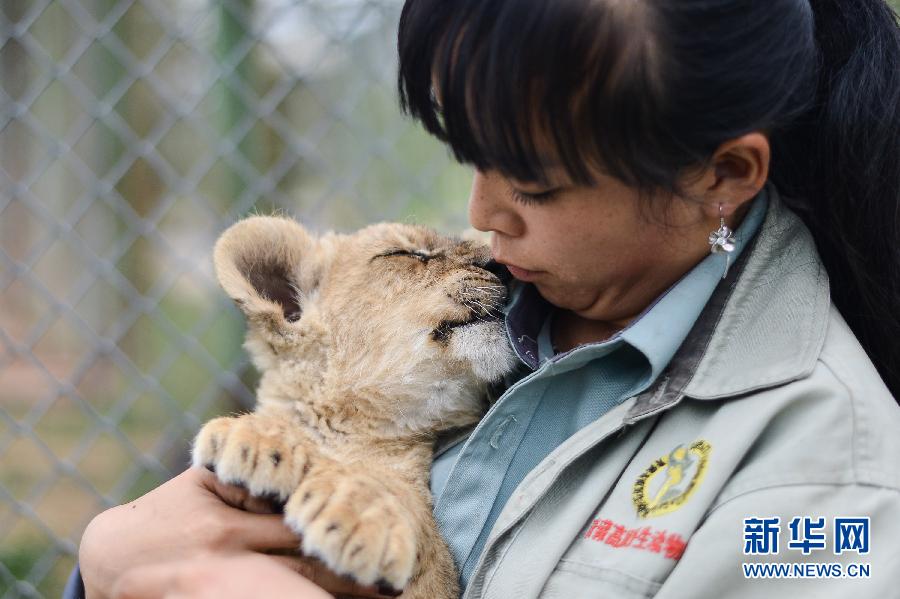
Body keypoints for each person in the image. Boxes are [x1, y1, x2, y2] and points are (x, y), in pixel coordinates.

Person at [72, 0, 900, 597]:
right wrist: (105, 564)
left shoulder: (831, 479)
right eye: (472, 154)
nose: (481, 215)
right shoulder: (492, 306)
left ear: (723, 175)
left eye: (534, 184)